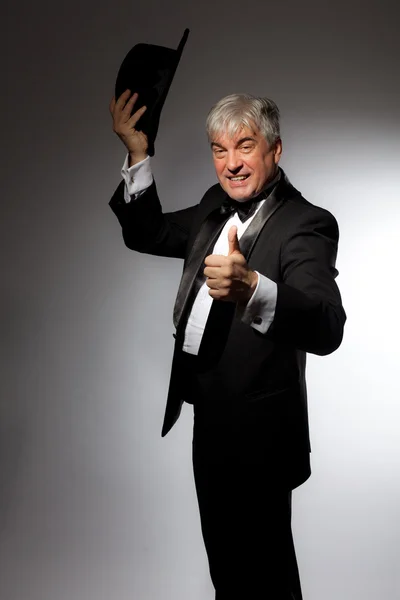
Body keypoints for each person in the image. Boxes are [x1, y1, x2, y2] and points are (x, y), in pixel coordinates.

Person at [109, 90, 346, 599]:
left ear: (274, 150)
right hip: (210, 420)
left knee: (266, 575)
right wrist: (137, 154)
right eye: (220, 150)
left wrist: (254, 288)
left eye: (244, 146)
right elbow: (147, 232)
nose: (232, 164)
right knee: (228, 571)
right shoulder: (214, 207)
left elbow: (327, 327)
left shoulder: (307, 223)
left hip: (261, 431)